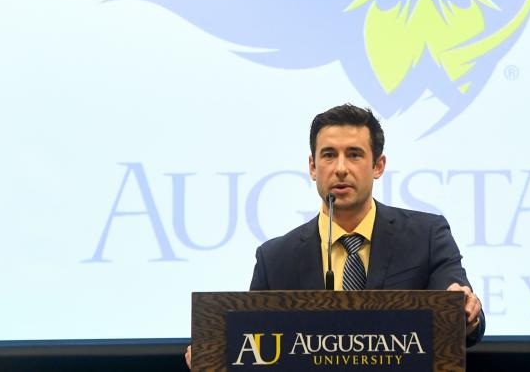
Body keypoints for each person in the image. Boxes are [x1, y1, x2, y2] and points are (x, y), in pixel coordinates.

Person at [185, 104, 484, 368]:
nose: (341, 169)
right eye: (329, 155)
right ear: (313, 167)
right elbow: (253, 344)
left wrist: (465, 312)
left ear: (378, 166)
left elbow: (461, 315)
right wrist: (215, 354)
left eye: (354, 155)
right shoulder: (276, 258)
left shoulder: (427, 236)